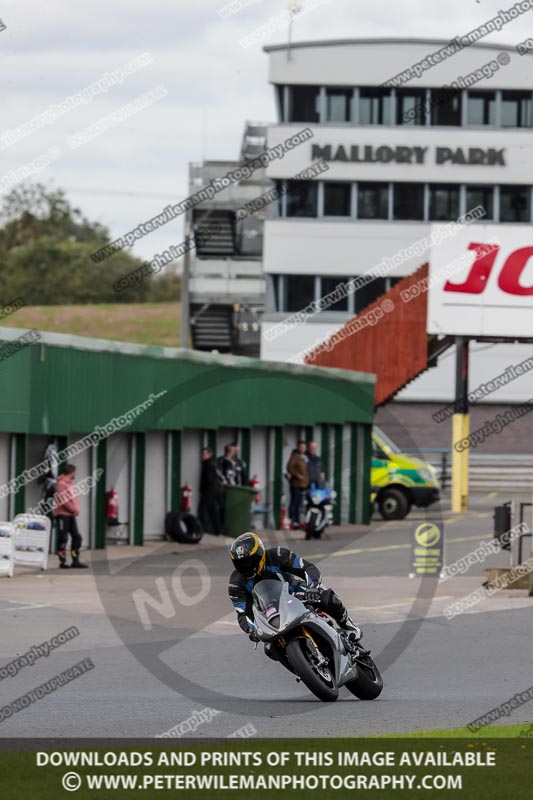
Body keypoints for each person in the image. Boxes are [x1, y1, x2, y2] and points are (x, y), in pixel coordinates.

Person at [228, 532, 361, 641]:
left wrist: (312, 587)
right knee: (269, 649)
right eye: (241, 563)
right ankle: (301, 669)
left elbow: (307, 568)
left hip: (294, 593)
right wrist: (251, 629)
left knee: (326, 597)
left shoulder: (278, 555)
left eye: (250, 561)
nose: (246, 566)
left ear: (260, 554)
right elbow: (243, 613)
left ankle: (347, 625)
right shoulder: (235, 583)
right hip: (268, 613)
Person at [53, 464, 88, 569]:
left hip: (71, 515)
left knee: (77, 537)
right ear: (71, 472)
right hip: (62, 515)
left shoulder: (71, 485)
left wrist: (76, 510)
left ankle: (75, 560)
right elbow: (64, 501)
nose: (75, 474)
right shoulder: (61, 484)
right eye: (75, 472)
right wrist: (74, 509)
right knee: (63, 538)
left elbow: (73, 500)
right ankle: (62, 561)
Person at [198, 447, 223, 535]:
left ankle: (202, 529)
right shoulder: (212, 464)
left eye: (204, 454)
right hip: (213, 491)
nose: (203, 456)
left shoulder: (208, 465)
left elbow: (208, 479)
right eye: (202, 454)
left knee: (202, 510)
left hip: (208, 491)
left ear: (209, 454)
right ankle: (217, 530)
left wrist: (203, 489)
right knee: (213, 511)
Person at [286, 440, 309, 529]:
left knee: (300, 503)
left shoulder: (305, 458)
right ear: (298, 447)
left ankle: (299, 521)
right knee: (294, 502)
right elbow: (289, 467)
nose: (302, 449)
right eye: (301, 447)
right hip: (296, 484)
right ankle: (293, 520)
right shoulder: (295, 457)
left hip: (303, 484)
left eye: (304, 447)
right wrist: (297, 475)